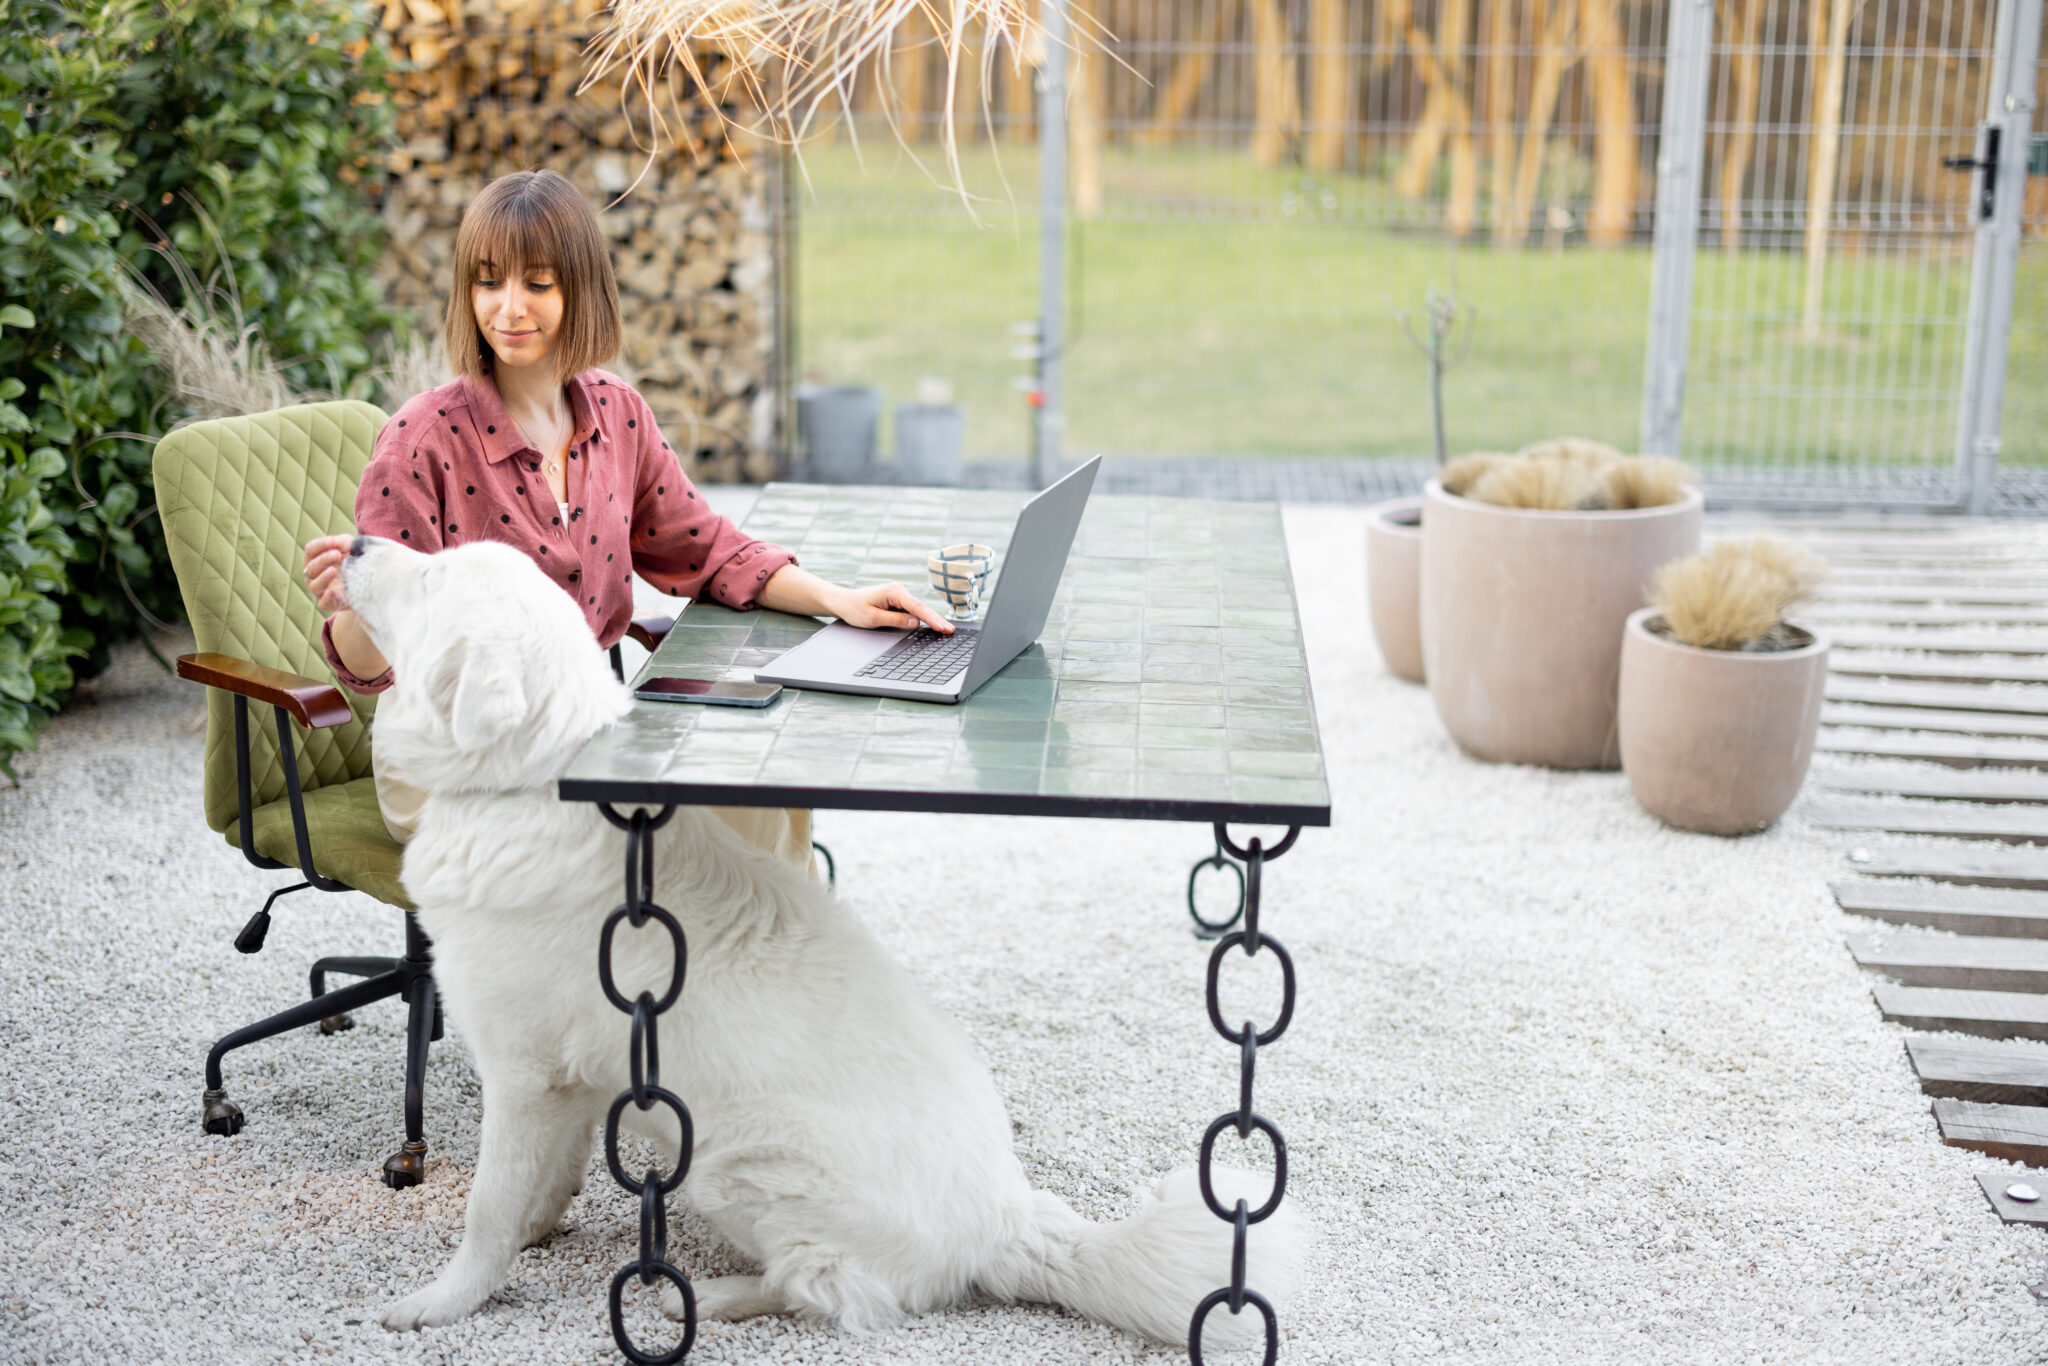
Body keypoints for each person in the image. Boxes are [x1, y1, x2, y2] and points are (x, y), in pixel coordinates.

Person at [304, 168, 950, 854]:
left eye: (539, 284)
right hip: (458, 756)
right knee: (680, 836)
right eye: (489, 281)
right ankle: (676, 955)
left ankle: (755, 953)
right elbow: (365, 667)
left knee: (763, 793)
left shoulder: (617, 414)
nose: (509, 308)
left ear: (580, 290)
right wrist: (359, 597)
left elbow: (708, 550)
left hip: (579, 729)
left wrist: (839, 599)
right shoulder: (422, 441)